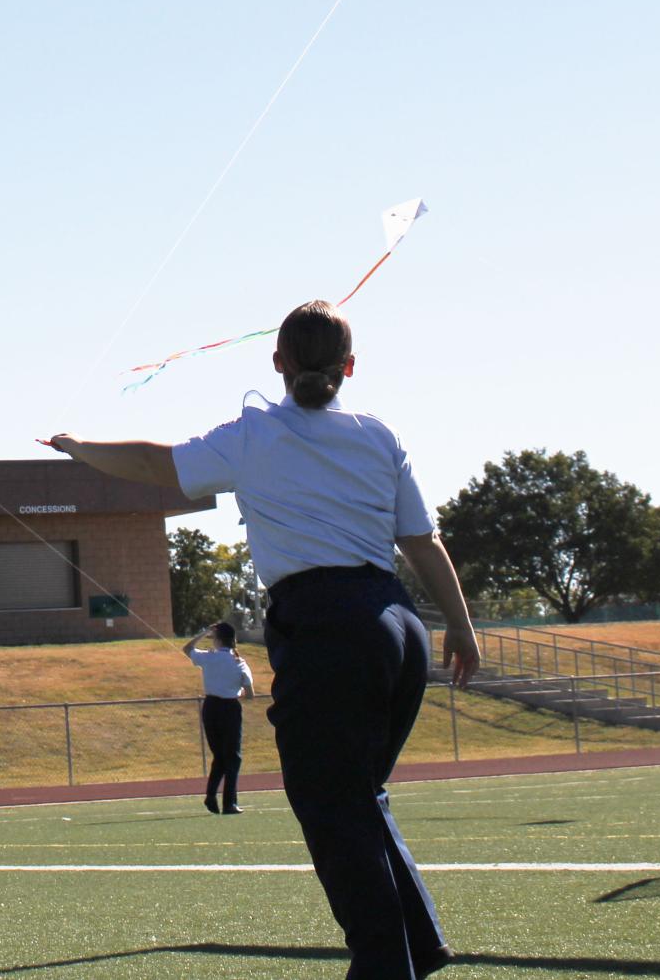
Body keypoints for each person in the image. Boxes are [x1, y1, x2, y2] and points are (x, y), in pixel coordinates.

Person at [48, 298, 480, 980]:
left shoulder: (253, 435)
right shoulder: (378, 433)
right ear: (349, 366)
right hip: (398, 625)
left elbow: (159, 463)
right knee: (357, 794)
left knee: (331, 805)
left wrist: (79, 445)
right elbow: (420, 539)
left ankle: (383, 965)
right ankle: (415, 946)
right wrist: (460, 624)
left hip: (328, 626)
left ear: (276, 363)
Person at [185, 620, 256, 815]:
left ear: (217, 639)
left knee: (220, 756)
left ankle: (211, 796)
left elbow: (188, 648)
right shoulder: (238, 662)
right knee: (232, 757)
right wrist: (238, 692)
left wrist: (204, 632)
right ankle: (229, 802)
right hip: (230, 708)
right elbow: (250, 694)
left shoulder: (209, 658)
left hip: (210, 707)